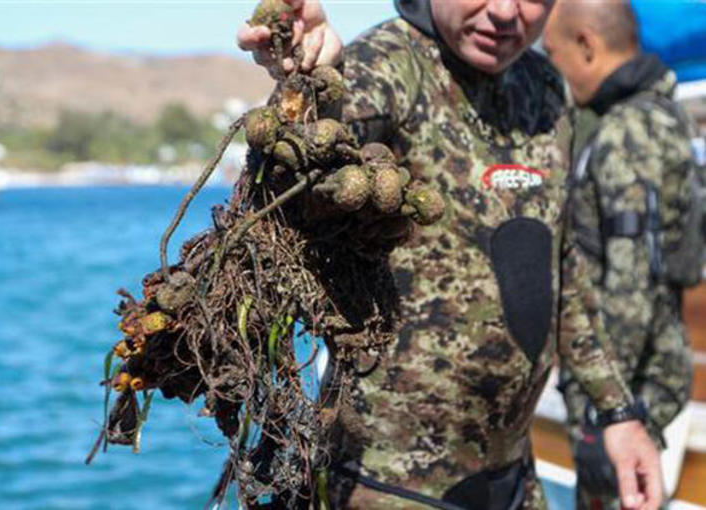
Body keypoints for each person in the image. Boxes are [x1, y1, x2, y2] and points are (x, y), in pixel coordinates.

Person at [239, 0, 664, 508]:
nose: (504, 12)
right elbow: (301, 181)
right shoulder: (387, 66)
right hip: (386, 484)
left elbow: (563, 266)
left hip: (512, 476)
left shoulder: (547, 90)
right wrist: (310, 83)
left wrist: (618, 413)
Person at [543, 1, 695, 508]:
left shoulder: (627, 131)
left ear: (586, 46)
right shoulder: (662, 115)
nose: (554, 68)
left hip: (627, 385)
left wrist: (607, 410)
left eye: (553, 53)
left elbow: (632, 281)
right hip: (643, 375)